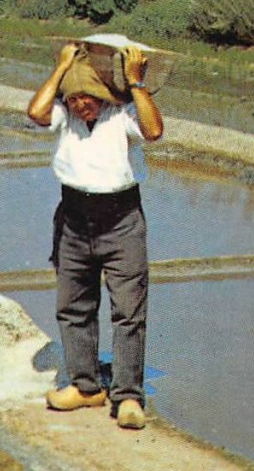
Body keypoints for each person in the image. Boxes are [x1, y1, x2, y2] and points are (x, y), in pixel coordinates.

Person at [27, 41, 164, 430]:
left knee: (128, 312)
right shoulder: (64, 115)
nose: (80, 105)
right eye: (73, 98)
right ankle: (86, 386)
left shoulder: (121, 116)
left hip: (121, 219)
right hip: (73, 217)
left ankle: (128, 396)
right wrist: (61, 69)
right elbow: (36, 111)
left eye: (88, 97)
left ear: (103, 96)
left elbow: (153, 130)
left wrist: (136, 84)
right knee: (73, 305)